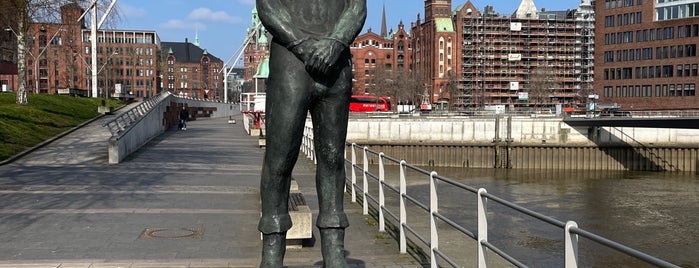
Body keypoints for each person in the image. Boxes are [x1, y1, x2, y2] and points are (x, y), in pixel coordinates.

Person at [255, 0, 366, 267]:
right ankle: (272, 248)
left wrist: (335, 43)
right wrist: (302, 45)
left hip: (335, 65)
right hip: (290, 62)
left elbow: (357, 7)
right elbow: (267, 5)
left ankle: (333, 247)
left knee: (332, 159)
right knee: (279, 159)